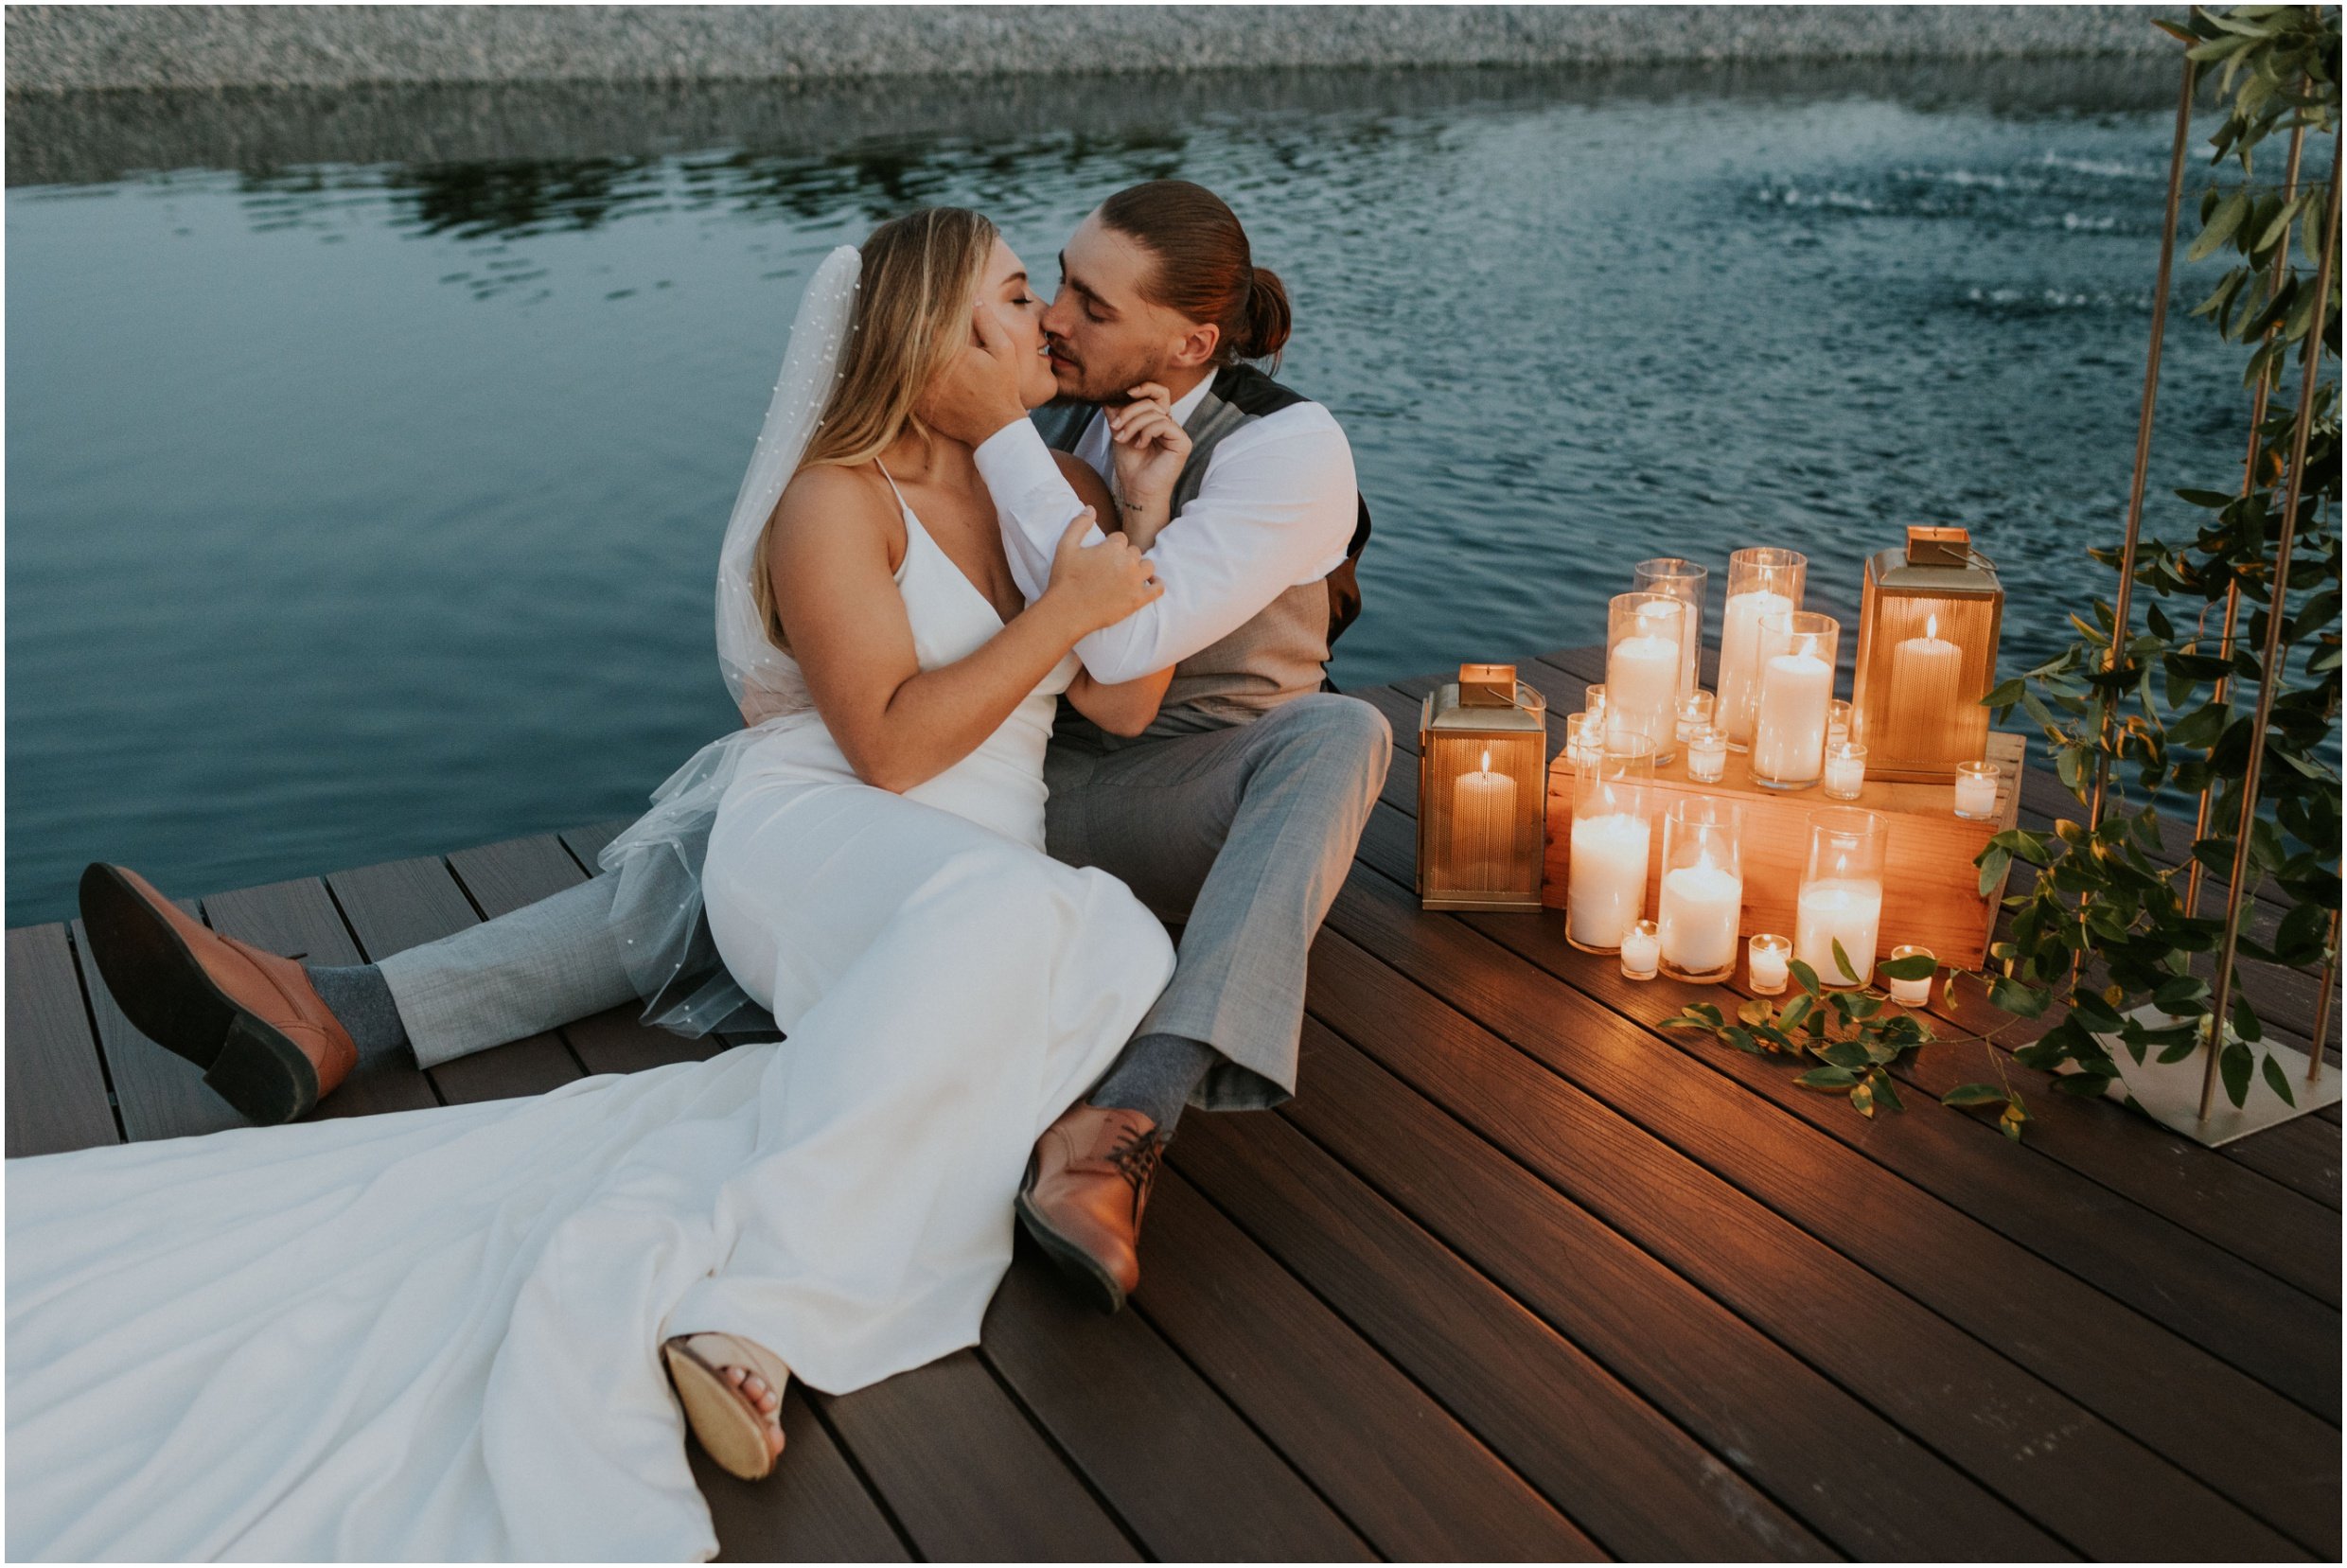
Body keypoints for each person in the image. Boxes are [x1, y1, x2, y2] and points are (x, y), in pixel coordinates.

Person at [12, 210, 1180, 1560]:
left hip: (973, 868)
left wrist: (1132, 524)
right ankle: (755, 1299)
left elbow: (1135, 694)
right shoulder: (837, 498)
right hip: (822, 832)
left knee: (1110, 941)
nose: (1045, 323)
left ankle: (732, 1271)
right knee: (1037, 924)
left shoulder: (1059, 496)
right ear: (931, 331)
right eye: (1021, 293)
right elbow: (893, 746)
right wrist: (1057, 612)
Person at [75, 179, 1389, 1321]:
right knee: (769, 807)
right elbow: (951, 663)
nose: (1052, 319)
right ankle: (353, 1009)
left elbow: (1117, 668)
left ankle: (1135, 1107)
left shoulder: (1285, 448)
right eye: (1043, 288)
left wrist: (1112, 498)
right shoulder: (1053, 423)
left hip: (1173, 789)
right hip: (989, 769)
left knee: (1336, 733)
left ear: (1192, 336)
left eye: (1087, 308)